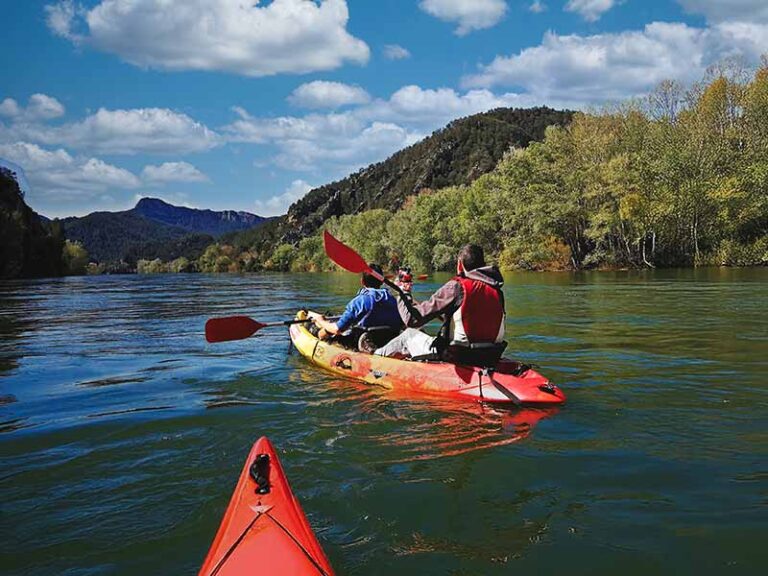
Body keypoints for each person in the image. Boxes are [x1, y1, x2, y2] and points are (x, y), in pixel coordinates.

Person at [374, 244, 505, 364]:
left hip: (457, 356)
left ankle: (372, 358)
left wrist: (403, 293)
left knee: (409, 334)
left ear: (460, 264)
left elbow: (412, 320)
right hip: (490, 356)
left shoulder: (456, 287)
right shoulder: (497, 290)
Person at [308, 263, 402, 349]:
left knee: (321, 332)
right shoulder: (392, 299)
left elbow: (337, 329)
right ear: (381, 282)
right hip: (386, 343)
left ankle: (316, 333)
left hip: (364, 343)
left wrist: (321, 321)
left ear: (362, 281)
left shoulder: (360, 301)